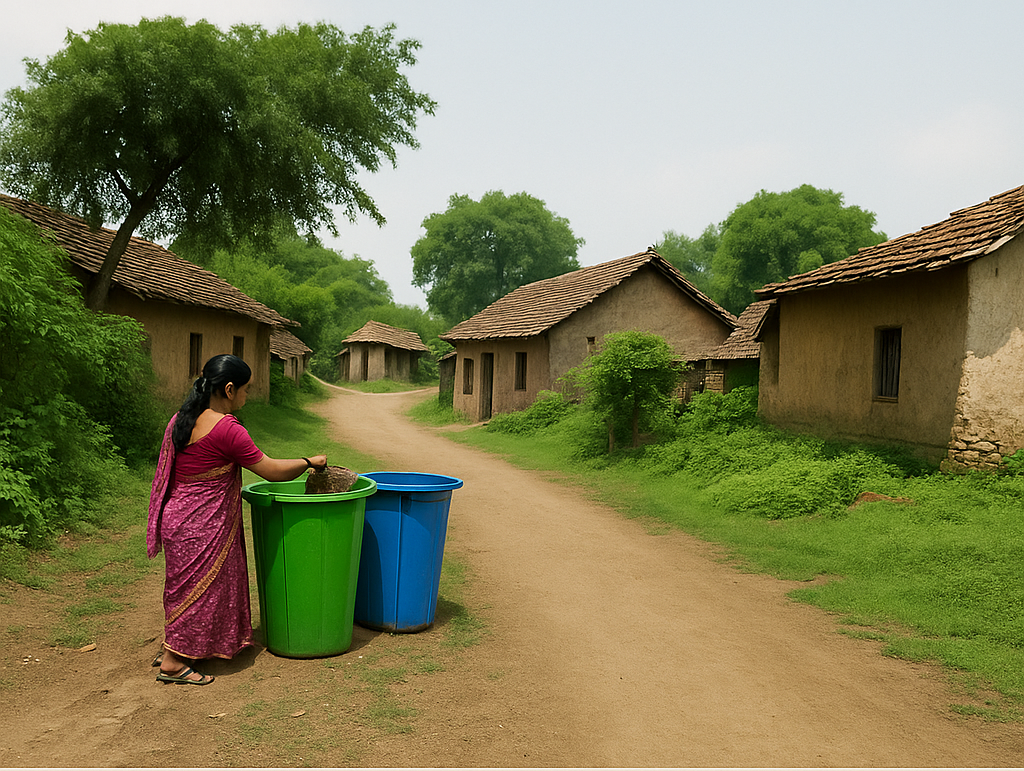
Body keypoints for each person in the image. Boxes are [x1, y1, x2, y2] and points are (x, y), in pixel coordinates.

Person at [147, 354, 327, 685]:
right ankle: (173, 662)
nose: (246, 396)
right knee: (201, 593)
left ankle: (176, 645)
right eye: (245, 390)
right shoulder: (227, 430)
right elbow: (271, 471)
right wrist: (308, 461)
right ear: (229, 389)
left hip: (176, 519)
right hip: (203, 526)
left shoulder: (181, 419)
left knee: (184, 591)